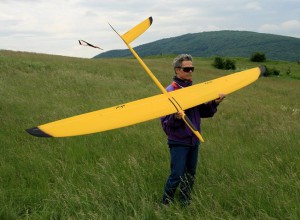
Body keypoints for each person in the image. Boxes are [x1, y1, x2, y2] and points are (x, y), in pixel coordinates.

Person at [161, 54, 225, 206]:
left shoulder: (194, 90)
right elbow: (166, 126)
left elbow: (203, 112)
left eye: (192, 68)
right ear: (177, 70)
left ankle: (185, 202)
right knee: (176, 175)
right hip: (179, 141)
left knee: (190, 174)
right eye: (187, 69)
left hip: (194, 140)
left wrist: (215, 103)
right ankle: (165, 204)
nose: (190, 72)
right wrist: (175, 118)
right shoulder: (170, 92)